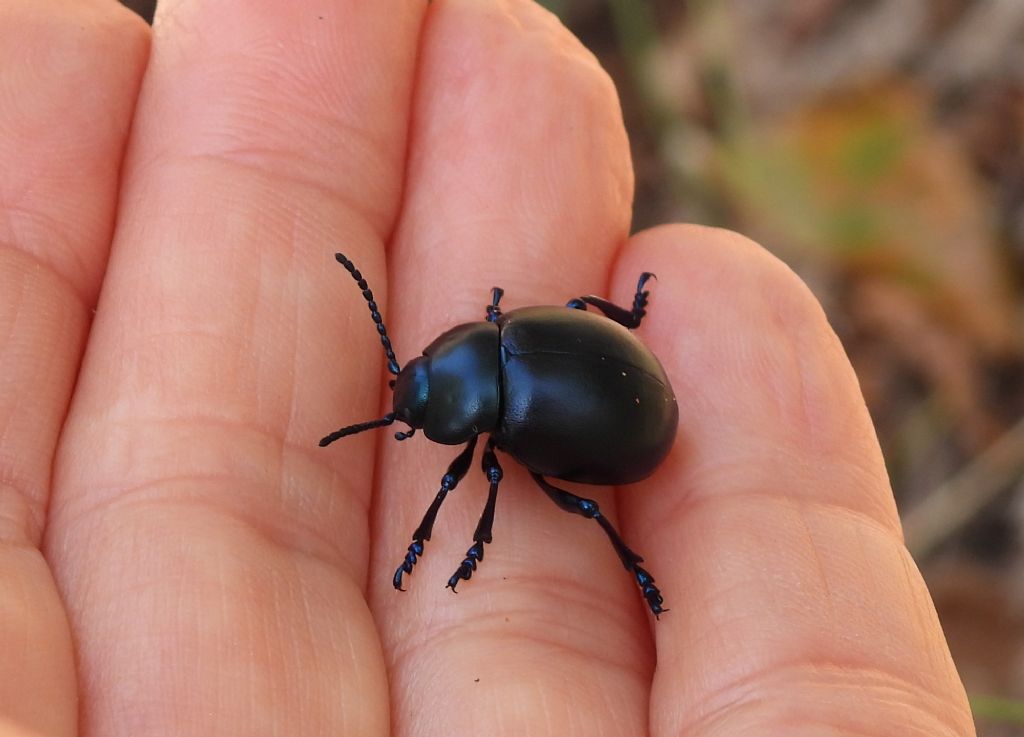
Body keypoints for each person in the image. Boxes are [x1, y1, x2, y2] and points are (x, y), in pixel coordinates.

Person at [0, 0, 976, 735]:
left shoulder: (492, 424)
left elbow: (486, 467)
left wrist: (440, 540)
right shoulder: (497, 336)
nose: (406, 390)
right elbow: (549, 341)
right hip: (598, 381)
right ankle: (586, 534)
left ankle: (624, 561)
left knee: (577, 507)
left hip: (628, 425)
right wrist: (618, 323)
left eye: (410, 388)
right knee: (534, 485)